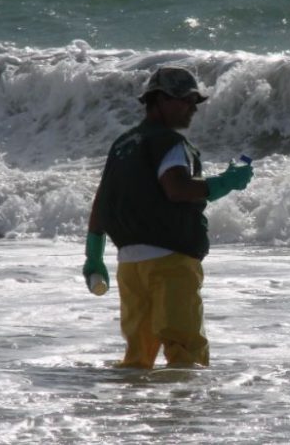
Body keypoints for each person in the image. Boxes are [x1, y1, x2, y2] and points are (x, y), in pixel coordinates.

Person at [82, 66, 253, 369]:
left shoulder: (123, 144)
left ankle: (134, 412)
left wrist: (93, 255)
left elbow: (102, 201)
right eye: (184, 100)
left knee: (137, 357)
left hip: (130, 267)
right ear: (158, 99)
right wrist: (225, 183)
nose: (191, 108)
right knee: (186, 351)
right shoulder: (170, 143)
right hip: (170, 264)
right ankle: (184, 413)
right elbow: (177, 189)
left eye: (194, 102)